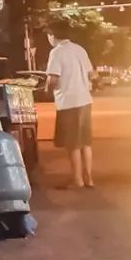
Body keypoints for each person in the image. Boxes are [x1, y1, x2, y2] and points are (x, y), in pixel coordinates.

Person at [46, 22, 95, 189]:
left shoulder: (56, 52)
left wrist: (45, 88)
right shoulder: (80, 49)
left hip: (68, 102)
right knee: (85, 142)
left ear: (53, 35)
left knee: (72, 143)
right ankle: (89, 178)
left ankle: (77, 180)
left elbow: (53, 79)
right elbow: (91, 73)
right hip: (85, 100)